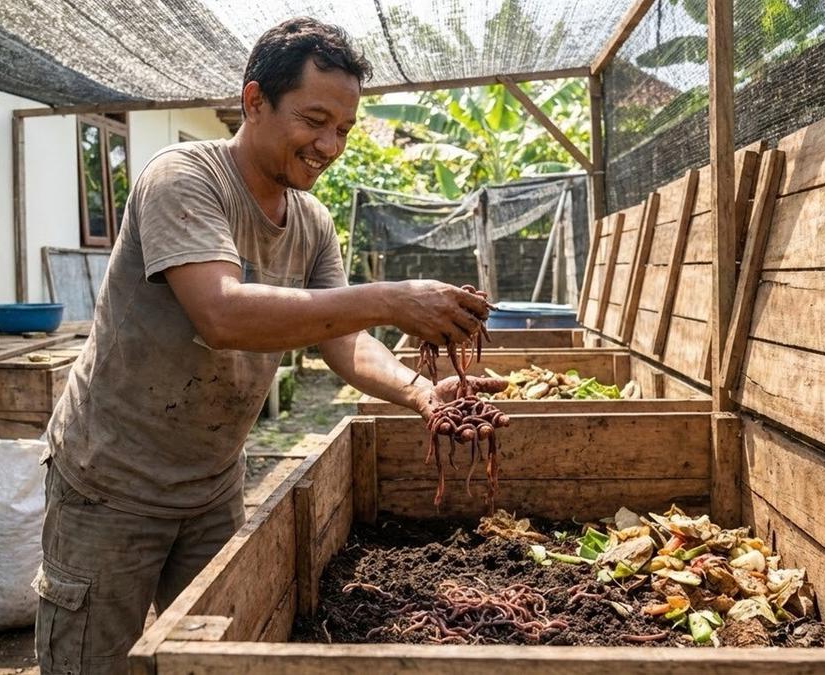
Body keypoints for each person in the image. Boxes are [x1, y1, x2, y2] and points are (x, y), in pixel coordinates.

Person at [33, 16, 502, 674]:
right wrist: (393, 297)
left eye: (343, 128)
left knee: (216, 658)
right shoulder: (183, 179)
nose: (330, 144)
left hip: (212, 488)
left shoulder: (311, 222)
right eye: (315, 120)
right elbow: (222, 314)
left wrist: (424, 391)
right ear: (255, 101)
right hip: (109, 485)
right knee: (93, 663)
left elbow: (344, 342)